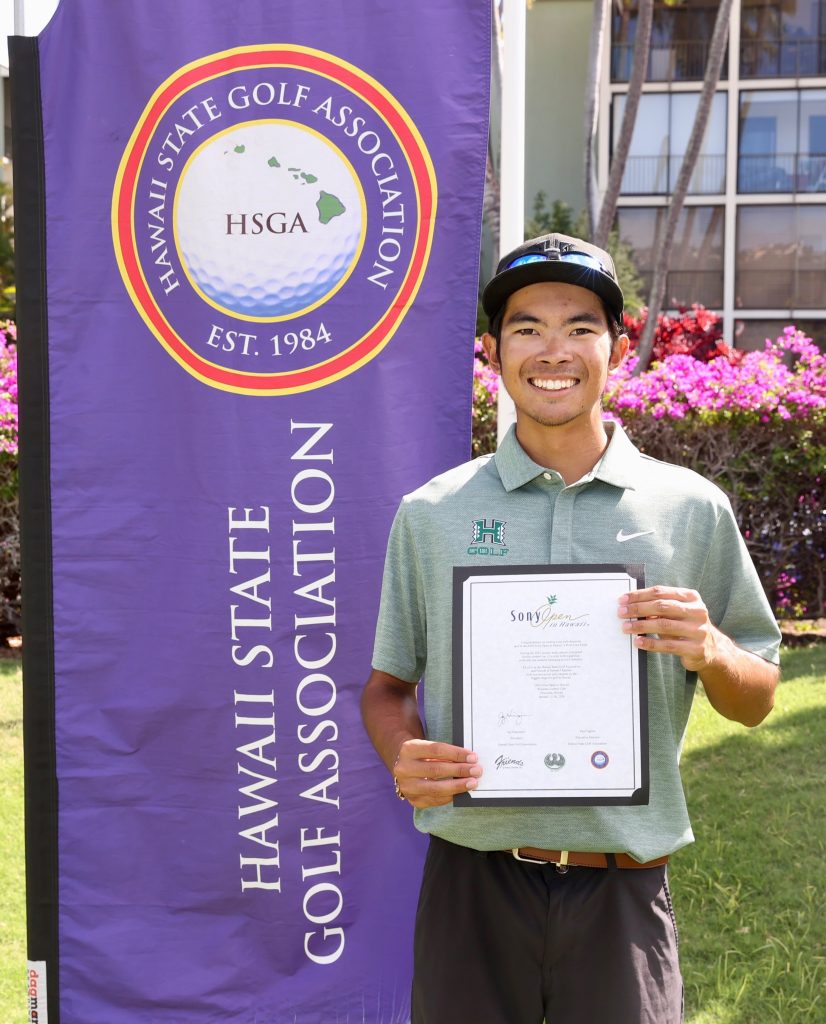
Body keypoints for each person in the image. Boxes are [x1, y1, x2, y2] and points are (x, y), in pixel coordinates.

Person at [361, 232, 781, 1024]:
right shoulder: (432, 514)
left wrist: (710, 648)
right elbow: (387, 687)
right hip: (472, 881)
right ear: (493, 352)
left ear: (617, 349)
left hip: (623, 886)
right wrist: (402, 754)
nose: (553, 350)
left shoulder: (689, 508)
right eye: (527, 328)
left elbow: (757, 699)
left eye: (580, 327)